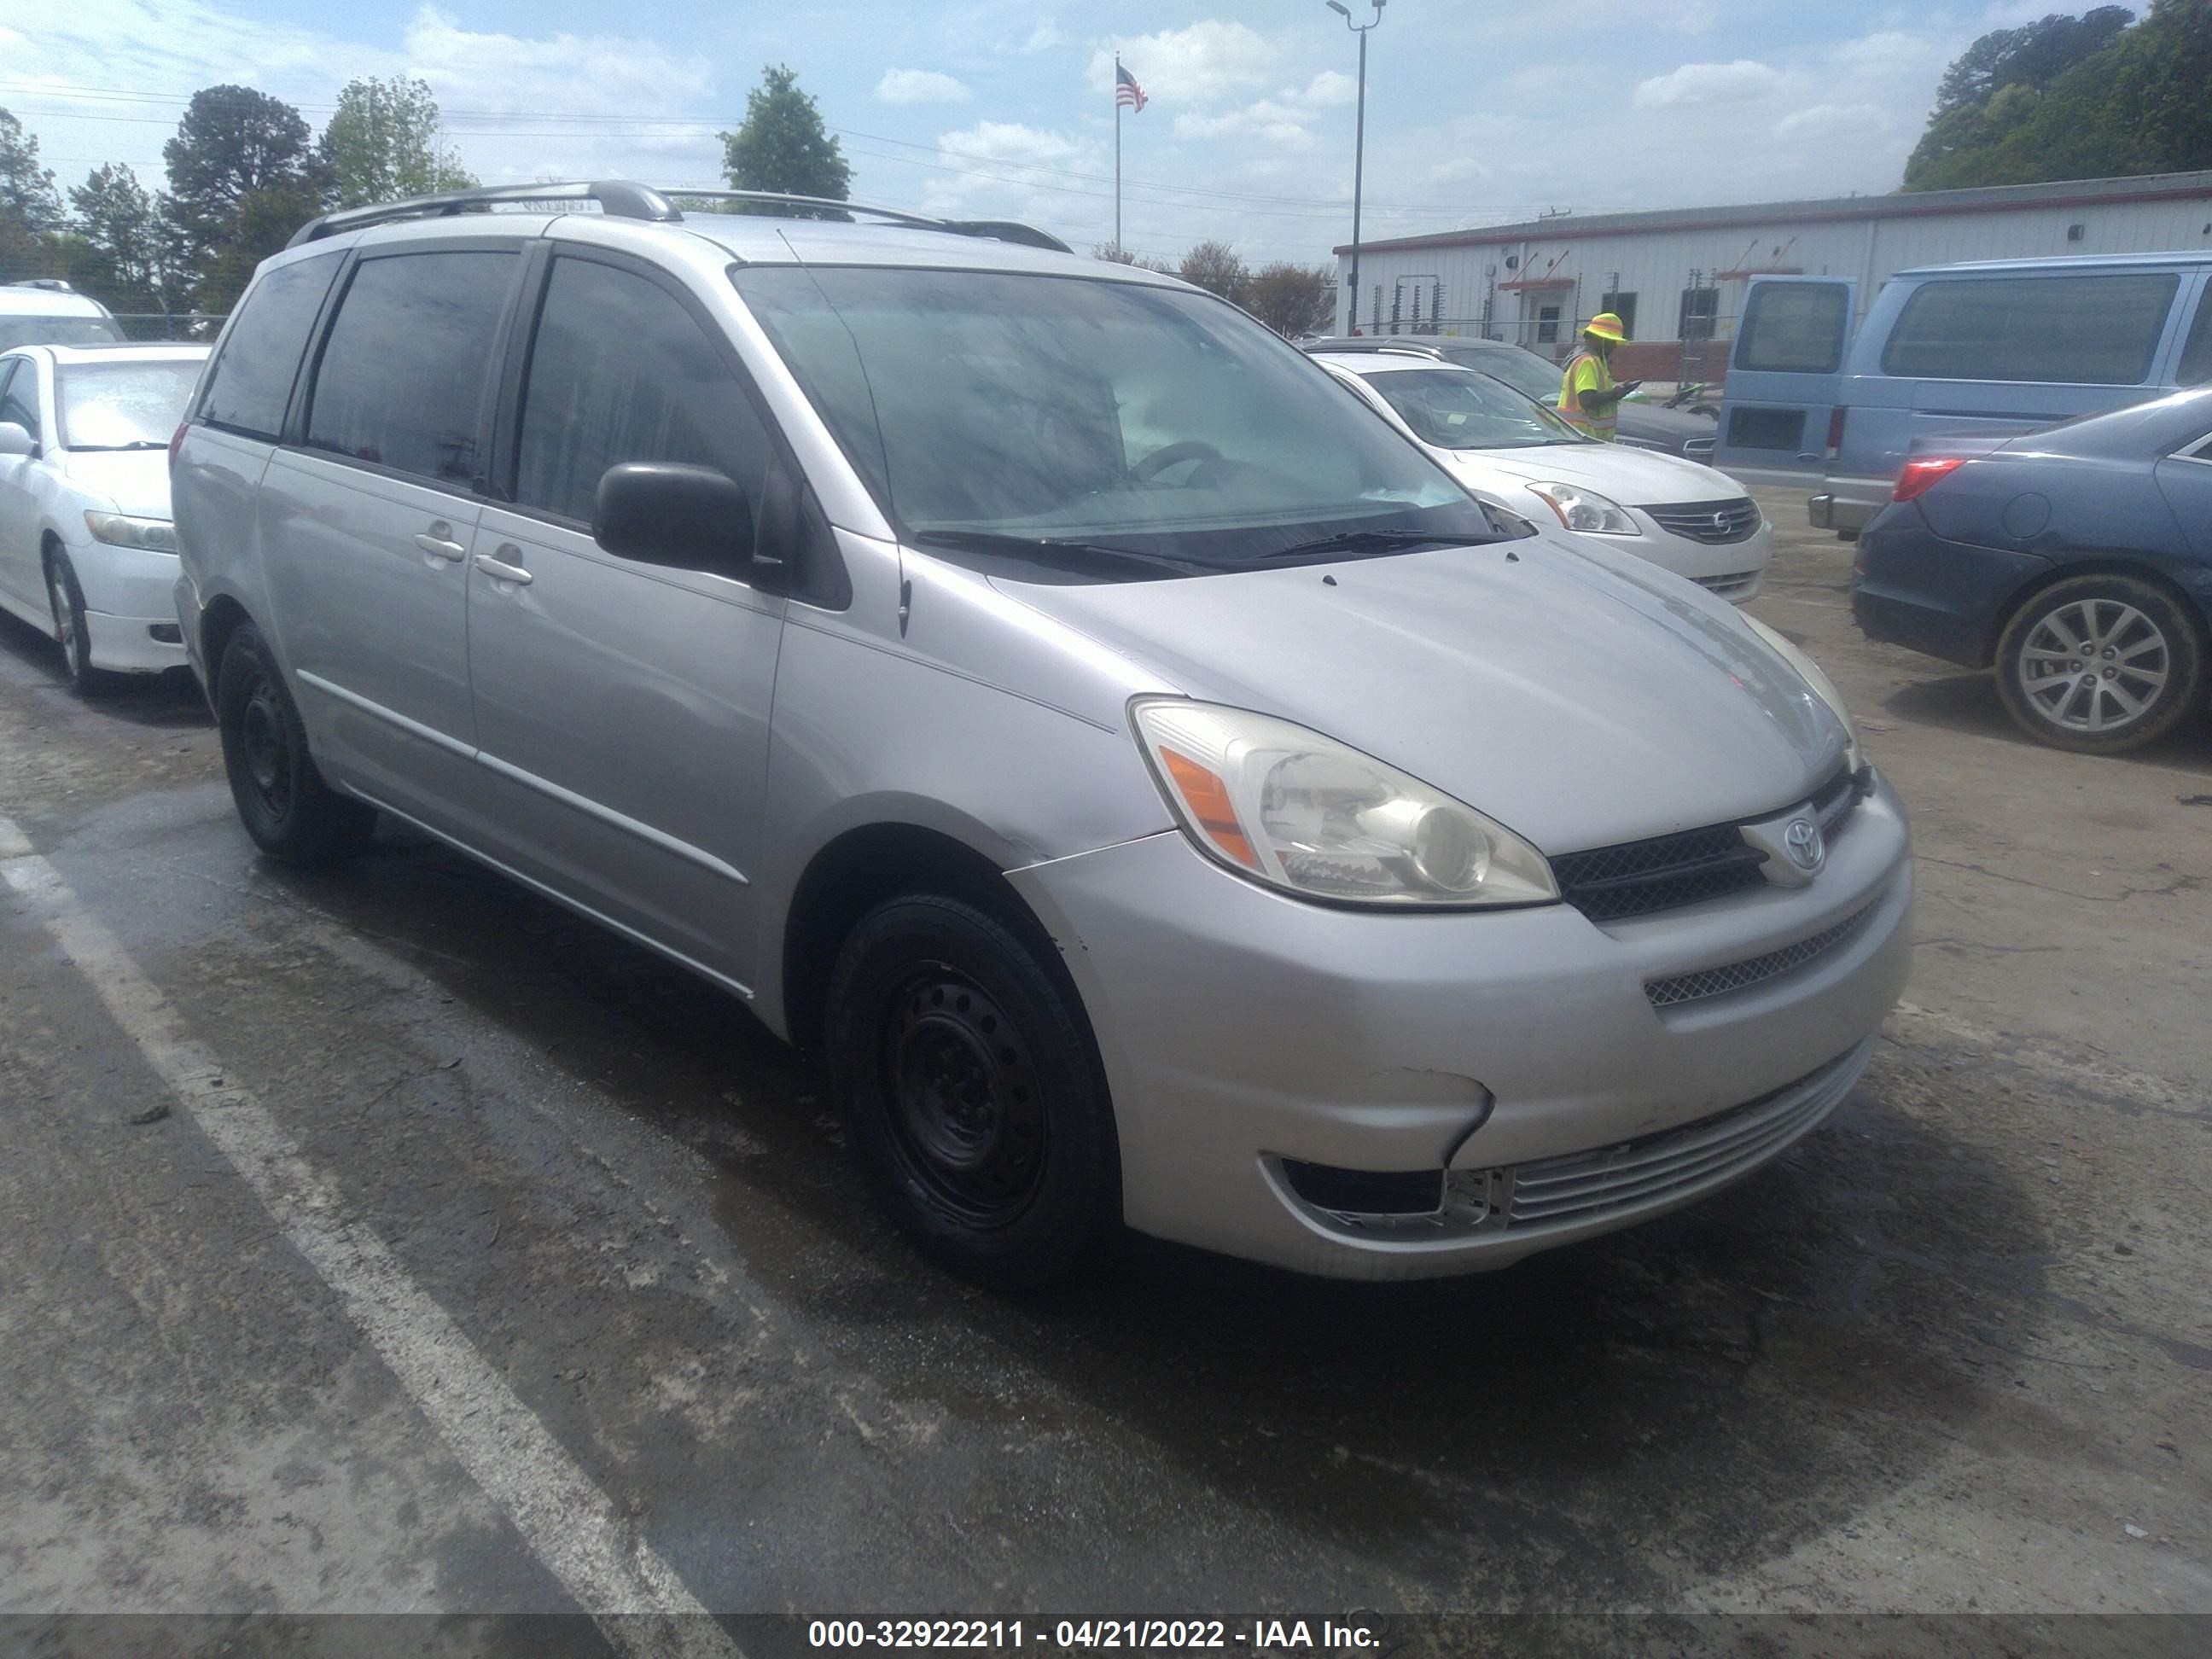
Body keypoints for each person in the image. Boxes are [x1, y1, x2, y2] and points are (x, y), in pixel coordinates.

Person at [1556, 311, 1641, 441]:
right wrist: (1616, 394)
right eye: (1611, 341)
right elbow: (1587, 400)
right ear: (1600, 340)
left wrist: (1617, 391)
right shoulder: (1587, 362)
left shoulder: (1594, 361)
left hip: (1585, 438)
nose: (1613, 346)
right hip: (1584, 438)